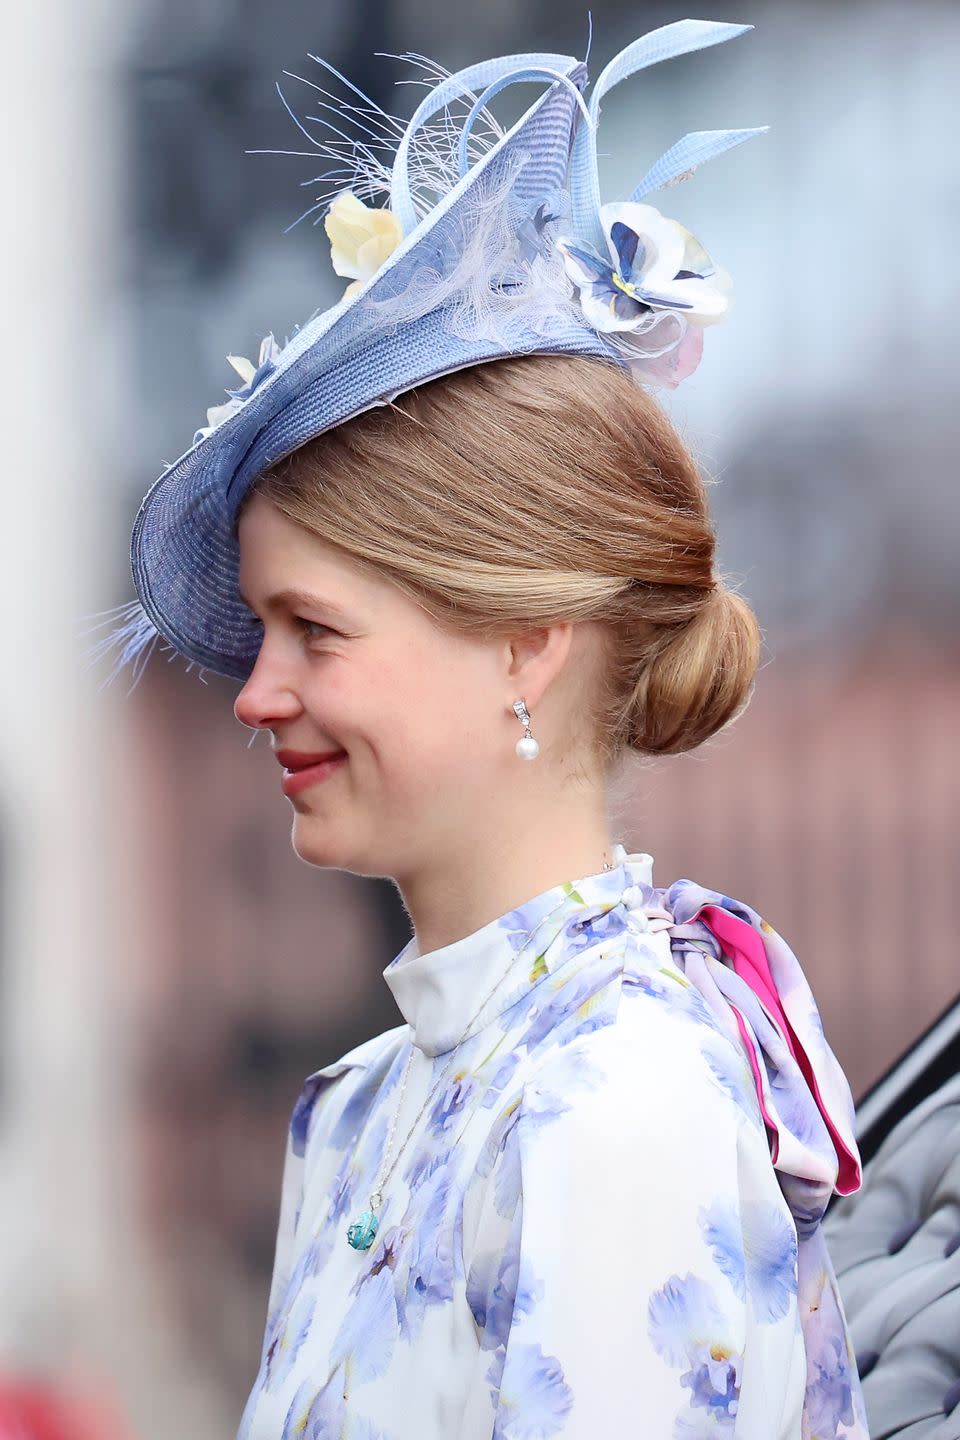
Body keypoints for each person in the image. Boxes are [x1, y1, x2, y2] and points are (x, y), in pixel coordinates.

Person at [90, 18, 871, 1439]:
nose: (257, 692)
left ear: (525, 640)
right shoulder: (369, 1099)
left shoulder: (614, 1100)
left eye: (315, 632)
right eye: (260, 632)